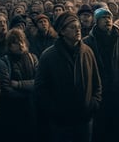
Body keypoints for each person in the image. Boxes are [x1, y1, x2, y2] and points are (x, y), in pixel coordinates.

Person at [35, 12, 102, 142]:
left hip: (85, 118)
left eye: (78, 26)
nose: (78, 29)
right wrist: (54, 111)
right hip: (61, 122)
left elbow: (96, 81)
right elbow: (41, 89)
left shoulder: (87, 51)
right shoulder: (48, 56)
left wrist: (93, 104)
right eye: (72, 27)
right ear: (62, 31)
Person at [83, 7, 119, 142]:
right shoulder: (87, 42)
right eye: (103, 18)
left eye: (109, 17)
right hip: (99, 92)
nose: (107, 20)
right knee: (100, 128)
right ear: (96, 21)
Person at [0, 28, 39, 142]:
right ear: (9, 45)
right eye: (15, 42)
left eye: (21, 41)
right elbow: (5, 89)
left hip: (32, 110)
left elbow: (39, 82)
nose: (20, 44)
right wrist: (29, 93)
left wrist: (19, 85)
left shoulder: (33, 58)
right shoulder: (3, 62)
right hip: (12, 113)